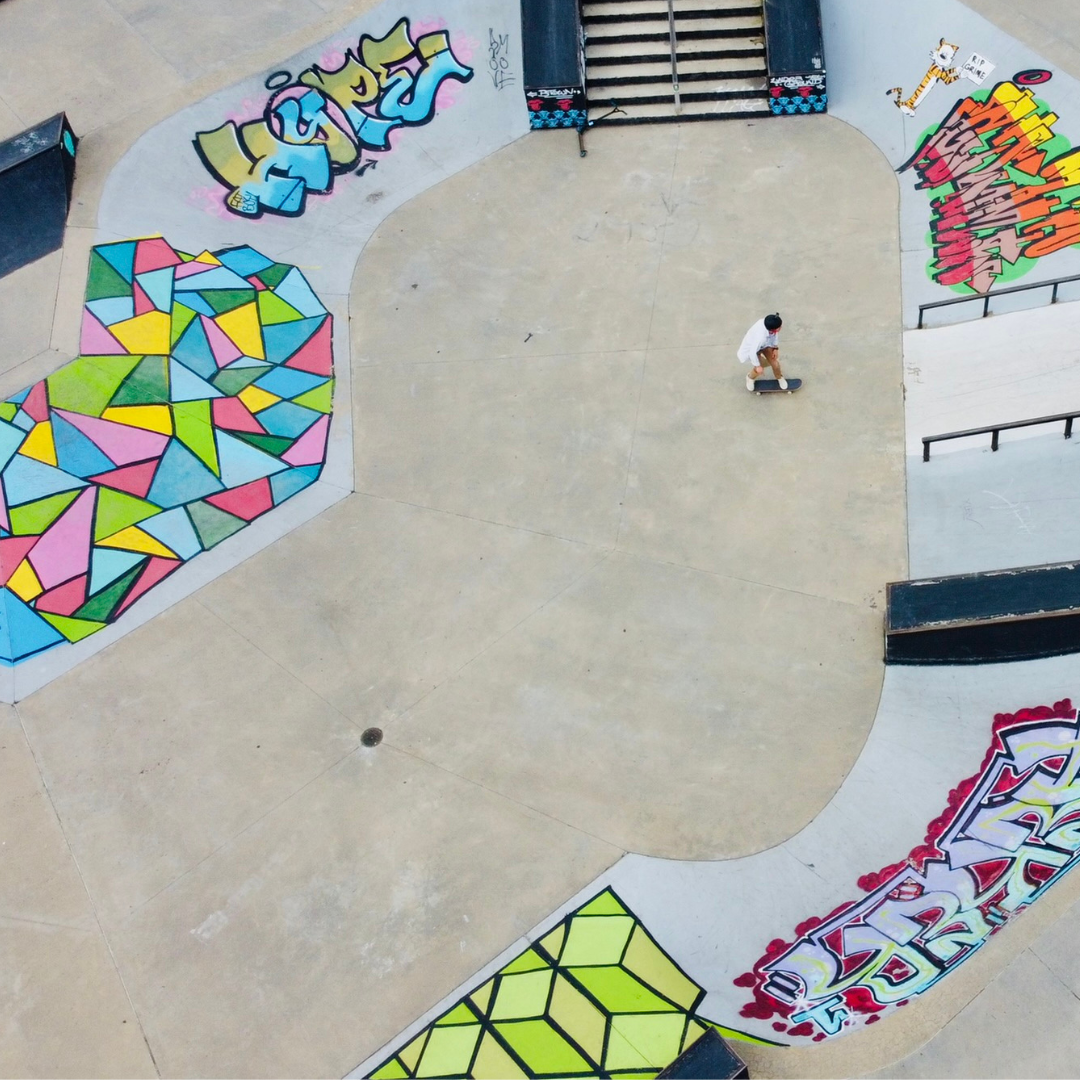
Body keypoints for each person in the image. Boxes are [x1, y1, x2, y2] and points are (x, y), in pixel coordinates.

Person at [737, 313, 785, 392]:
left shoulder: (769, 323)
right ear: (773, 329)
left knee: (775, 364)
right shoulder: (760, 337)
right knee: (759, 368)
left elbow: (775, 334)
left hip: (765, 345)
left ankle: (779, 377)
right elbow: (752, 352)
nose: (781, 328)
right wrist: (757, 366)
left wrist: (775, 348)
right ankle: (750, 378)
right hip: (753, 349)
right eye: (779, 327)